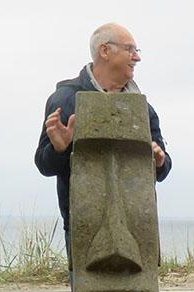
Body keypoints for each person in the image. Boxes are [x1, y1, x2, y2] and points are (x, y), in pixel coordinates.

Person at [35, 22, 173, 271]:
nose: (137, 57)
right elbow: (44, 165)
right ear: (105, 50)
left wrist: (160, 161)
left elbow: (163, 169)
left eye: (137, 50)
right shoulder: (65, 99)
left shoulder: (143, 108)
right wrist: (60, 148)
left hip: (138, 227)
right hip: (85, 226)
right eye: (130, 49)